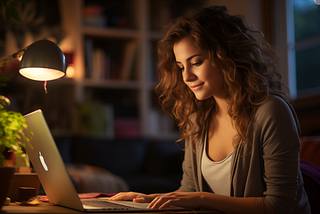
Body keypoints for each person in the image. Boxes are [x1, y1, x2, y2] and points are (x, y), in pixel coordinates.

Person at [109, 5, 311, 214]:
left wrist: (201, 198)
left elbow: (278, 206)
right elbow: (189, 191)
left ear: (227, 56)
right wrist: (148, 199)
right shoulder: (197, 118)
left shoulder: (271, 112)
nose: (186, 77)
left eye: (196, 62)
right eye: (180, 67)